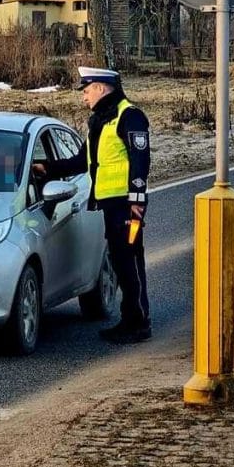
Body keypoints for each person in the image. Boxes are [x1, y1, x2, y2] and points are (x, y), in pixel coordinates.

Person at [33, 66, 152, 344]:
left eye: (86, 91)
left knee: (130, 263)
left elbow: (140, 161)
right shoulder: (100, 121)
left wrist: (137, 201)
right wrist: (46, 169)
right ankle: (130, 319)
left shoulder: (129, 116)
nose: (84, 97)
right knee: (121, 264)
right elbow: (80, 162)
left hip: (126, 206)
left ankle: (139, 323)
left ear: (101, 88)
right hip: (110, 206)